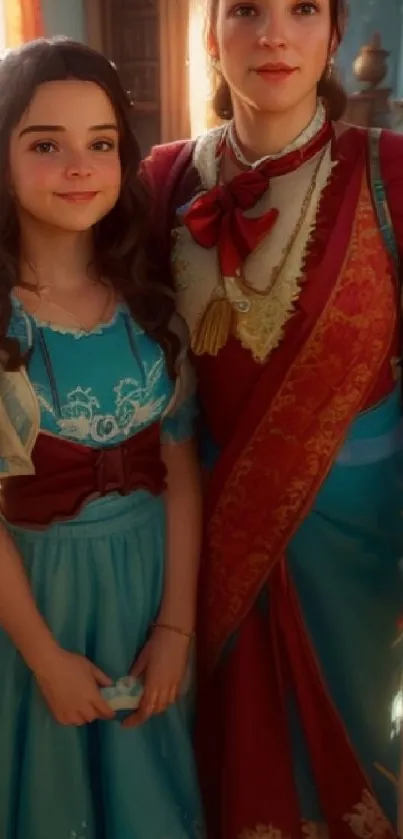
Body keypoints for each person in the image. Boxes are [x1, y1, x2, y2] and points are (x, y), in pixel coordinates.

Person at [142, 0, 403, 836]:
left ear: (333, 34)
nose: (273, 35)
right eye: (245, 9)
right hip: (196, 536)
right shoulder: (158, 183)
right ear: (209, 33)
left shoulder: (390, 171)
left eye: (301, 9)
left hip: (360, 550)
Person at [0, 37, 204, 839]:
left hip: (145, 594)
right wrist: (44, 656)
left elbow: (181, 472)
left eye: (101, 144)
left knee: (144, 796)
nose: (78, 165)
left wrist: (175, 630)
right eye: (46, 144)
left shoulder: (149, 308)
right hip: (35, 608)